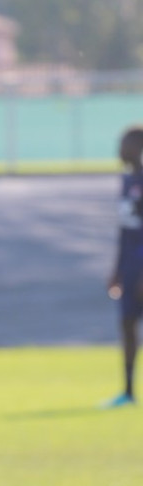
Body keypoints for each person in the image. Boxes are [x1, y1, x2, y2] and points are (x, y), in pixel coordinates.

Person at [104, 125, 143, 407]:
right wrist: (116, 270)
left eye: (125, 143)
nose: (120, 148)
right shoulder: (127, 182)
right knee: (127, 325)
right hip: (129, 268)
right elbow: (124, 231)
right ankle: (128, 391)